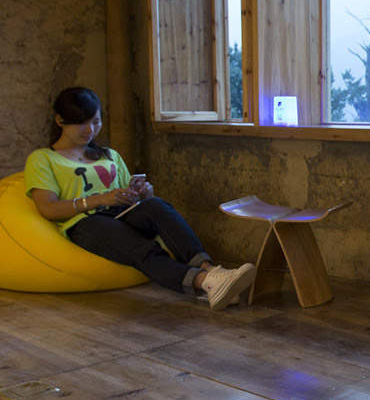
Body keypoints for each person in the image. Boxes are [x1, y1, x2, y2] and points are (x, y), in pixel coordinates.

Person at [24, 87, 256, 309]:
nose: (90, 130)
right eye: (81, 122)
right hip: (85, 223)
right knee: (141, 248)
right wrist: (99, 200)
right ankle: (205, 282)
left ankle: (211, 270)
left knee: (157, 205)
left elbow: (128, 195)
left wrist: (143, 193)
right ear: (60, 120)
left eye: (96, 121)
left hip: (122, 214)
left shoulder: (108, 154)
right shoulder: (43, 159)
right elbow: (47, 207)